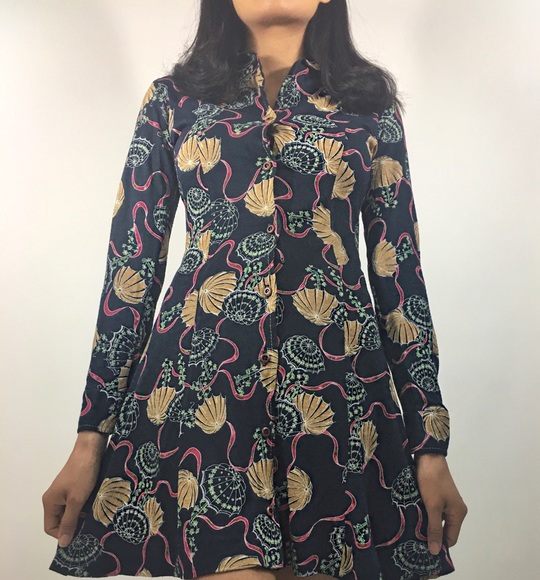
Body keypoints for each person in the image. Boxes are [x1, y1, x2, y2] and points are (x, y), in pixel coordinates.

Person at [42, 1, 468, 578]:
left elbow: (400, 277)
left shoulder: (371, 107)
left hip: (339, 399)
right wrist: (89, 438)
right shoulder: (173, 101)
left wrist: (431, 446)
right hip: (205, 395)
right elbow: (130, 270)